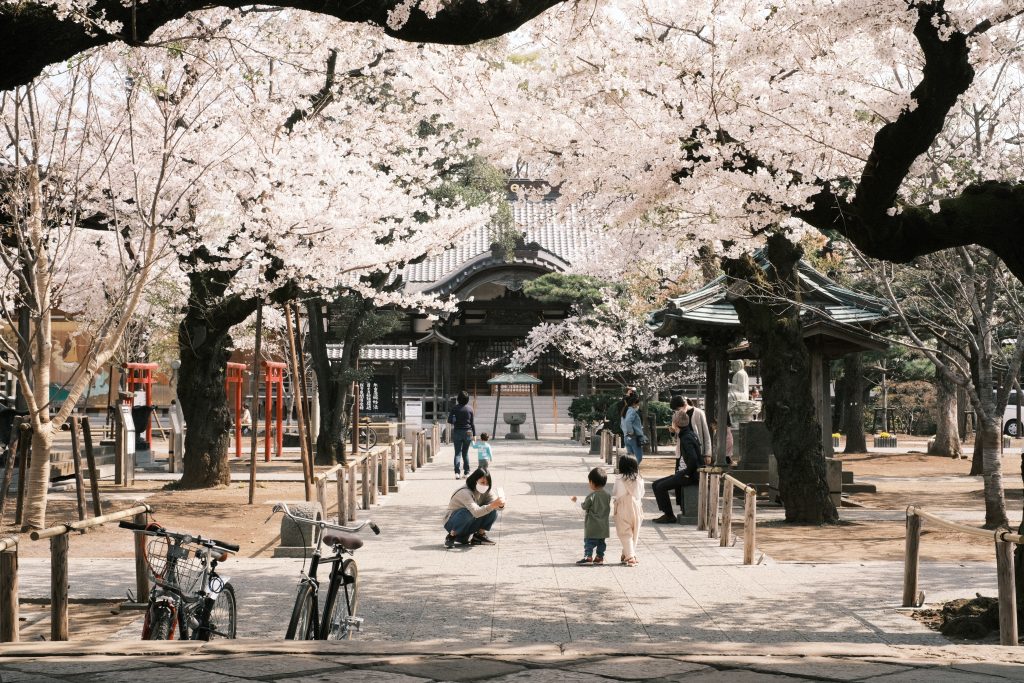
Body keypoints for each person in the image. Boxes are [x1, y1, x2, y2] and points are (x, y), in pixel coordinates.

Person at [652, 395, 701, 523]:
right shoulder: (686, 434)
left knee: (660, 487)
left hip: (689, 475)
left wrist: (686, 474)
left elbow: (694, 459)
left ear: (676, 423)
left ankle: (669, 515)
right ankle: (667, 513)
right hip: (685, 472)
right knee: (656, 484)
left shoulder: (686, 438)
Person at [443, 468, 505, 548]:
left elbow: (496, 506)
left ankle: (479, 536)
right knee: (467, 512)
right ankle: (451, 536)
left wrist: (500, 504)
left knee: (493, 510)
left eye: (487, 483)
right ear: (475, 480)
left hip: (469, 523)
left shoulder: (487, 490)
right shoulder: (464, 492)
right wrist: (493, 505)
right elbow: (476, 512)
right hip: (452, 523)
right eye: (482, 482)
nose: (485, 485)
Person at [570, 467, 611, 565]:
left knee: (589, 542)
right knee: (601, 542)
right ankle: (599, 557)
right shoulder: (607, 495)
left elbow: (584, 506)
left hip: (592, 525)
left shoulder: (592, 496)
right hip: (604, 525)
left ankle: (588, 556)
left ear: (592, 482)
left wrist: (576, 501)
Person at [613, 455, 644, 566]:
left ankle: (630, 556)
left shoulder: (619, 478)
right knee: (635, 531)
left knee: (625, 533)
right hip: (636, 506)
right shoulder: (639, 478)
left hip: (622, 506)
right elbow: (641, 494)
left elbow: (615, 492)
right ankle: (626, 553)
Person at [448, 390, 475, 479]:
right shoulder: (470, 409)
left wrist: (454, 420)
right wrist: (474, 435)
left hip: (458, 432)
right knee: (465, 453)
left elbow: (449, 420)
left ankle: (457, 472)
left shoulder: (455, 408)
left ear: (458, 399)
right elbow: (472, 423)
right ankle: (467, 472)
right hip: (468, 432)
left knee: (457, 453)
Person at [619, 393, 646, 464]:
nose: (638, 406)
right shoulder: (632, 411)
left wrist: (626, 432)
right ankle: (634, 471)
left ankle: (630, 472)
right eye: (638, 404)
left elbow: (622, 425)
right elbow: (628, 421)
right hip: (633, 437)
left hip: (626, 437)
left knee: (630, 458)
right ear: (634, 404)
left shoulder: (624, 411)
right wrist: (631, 431)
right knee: (638, 457)